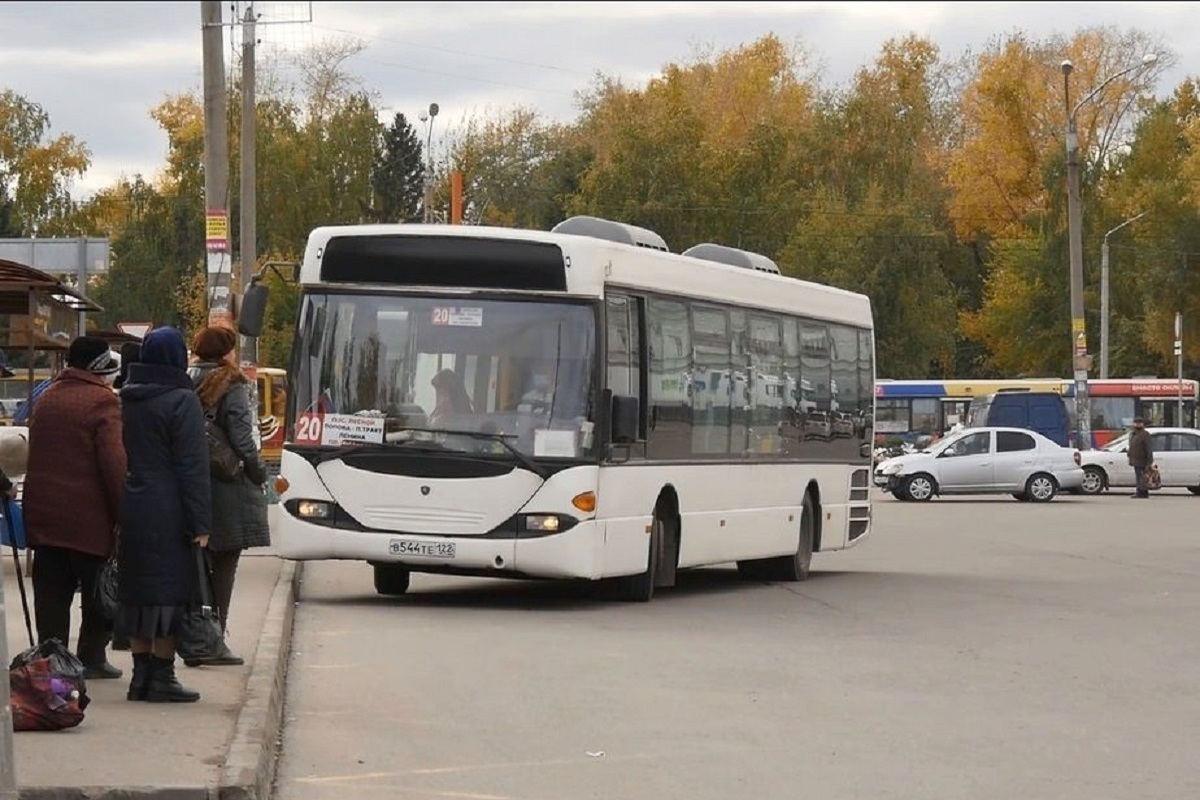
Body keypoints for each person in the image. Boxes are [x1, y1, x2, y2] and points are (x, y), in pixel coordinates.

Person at [22, 336, 125, 680]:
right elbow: (113, 463)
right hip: (87, 518)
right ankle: (92, 657)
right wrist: (123, 510)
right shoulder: (102, 401)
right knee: (98, 591)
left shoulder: (46, 398)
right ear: (100, 366)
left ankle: (53, 660)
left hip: (43, 514)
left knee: (51, 593)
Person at [118, 326, 211, 703]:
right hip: (169, 505)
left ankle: (139, 678)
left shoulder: (127, 397)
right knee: (172, 592)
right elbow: (192, 466)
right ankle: (162, 676)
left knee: (140, 592)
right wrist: (201, 523)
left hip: (133, 502)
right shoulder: (181, 400)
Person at [187, 325, 270, 667]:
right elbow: (241, 435)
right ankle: (214, 638)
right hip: (225, 484)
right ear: (225, 352)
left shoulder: (185, 379)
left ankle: (193, 636)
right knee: (224, 566)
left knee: (197, 566)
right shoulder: (231, 383)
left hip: (192, 479)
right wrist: (257, 470)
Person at [1127, 416, 1154, 499]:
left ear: (1142, 424)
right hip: (1135, 459)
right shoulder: (1133, 433)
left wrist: (1149, 461)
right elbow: (1131, 446)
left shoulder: (1145, 434)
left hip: (1142, 459)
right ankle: (1140, 491)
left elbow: (1148, 448)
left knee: (1142, 476)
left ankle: (1142, 492)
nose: (1137, 424)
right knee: (1138, 476)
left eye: (1139, 423)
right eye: (1136, 422)